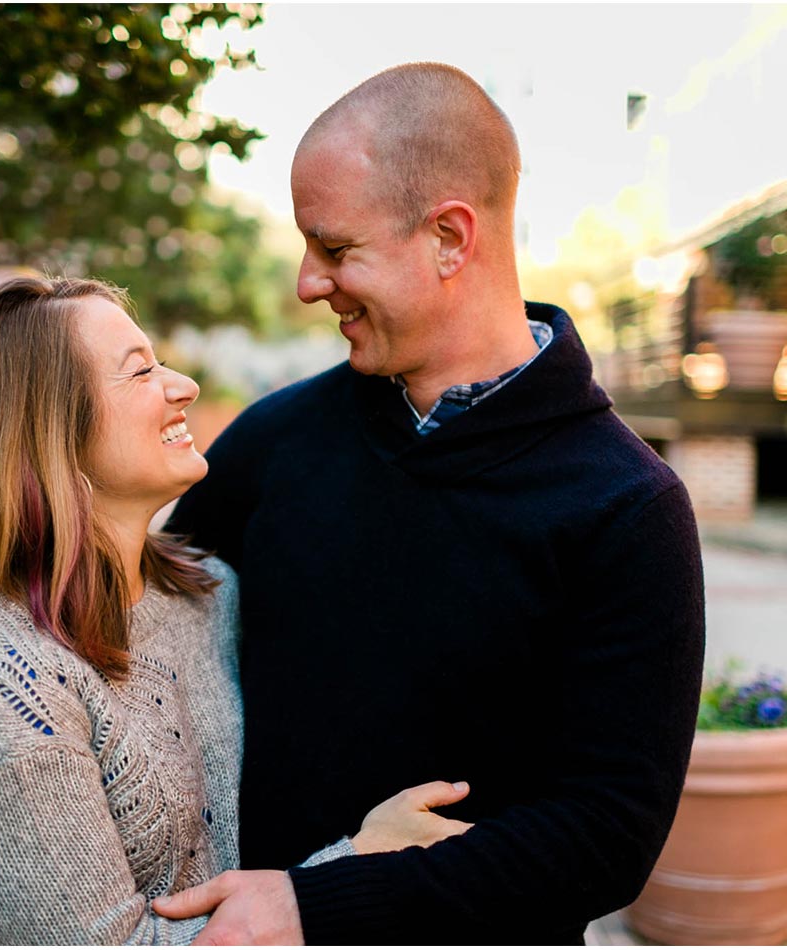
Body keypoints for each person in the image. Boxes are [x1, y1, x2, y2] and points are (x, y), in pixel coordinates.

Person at [155, 63, 707, 944]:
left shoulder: (628, 506)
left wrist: (316, 907)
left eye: (335, 250)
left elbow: (607, 837)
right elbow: (136, 638)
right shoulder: (274, 442)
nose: (306, 282)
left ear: (451, 238)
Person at [0, 276, 473, 945]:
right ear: (45, 433)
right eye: (141, 371)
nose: (182, 384)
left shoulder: (207, 593)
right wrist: (356, 867)